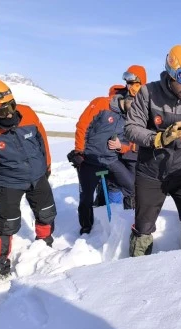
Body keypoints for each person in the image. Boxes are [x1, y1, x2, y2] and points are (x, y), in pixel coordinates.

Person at [124, 44, 181, 256]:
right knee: (143, 227)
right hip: (151, 173)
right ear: (170, 73)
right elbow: (131, 128)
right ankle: (136, 271)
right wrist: (157, 138)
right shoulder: (149, 93)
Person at [0, 79, 56, 281]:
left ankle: (45, 243)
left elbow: (42, 140)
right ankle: (0, 262)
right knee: (7, 224)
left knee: (47, 213)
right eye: (1, 111)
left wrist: (47, 166)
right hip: (9, 184)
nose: (9, 114)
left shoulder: (28, 113)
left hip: (37, 176)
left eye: (11, 106)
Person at [68, 66, 145, 235]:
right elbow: (82, 126)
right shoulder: (102, 103)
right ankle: (86, 228)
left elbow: (130, 142)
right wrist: (79, 152)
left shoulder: (131, 118)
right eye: (131, 106)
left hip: (111, 159)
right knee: (86, 198)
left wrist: (120, 147)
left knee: (131, 186)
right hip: (89, 159)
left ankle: (127, 219)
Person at [94, 66, 147, 207]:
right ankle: (110, 210)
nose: (132, 88)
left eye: (136, 84)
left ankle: (130, 212)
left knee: (132, 187)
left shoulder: (146, 104)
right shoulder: (122, 100)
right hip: (117, 152)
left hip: (134, 155)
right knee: (112, 183)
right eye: (130, 84)